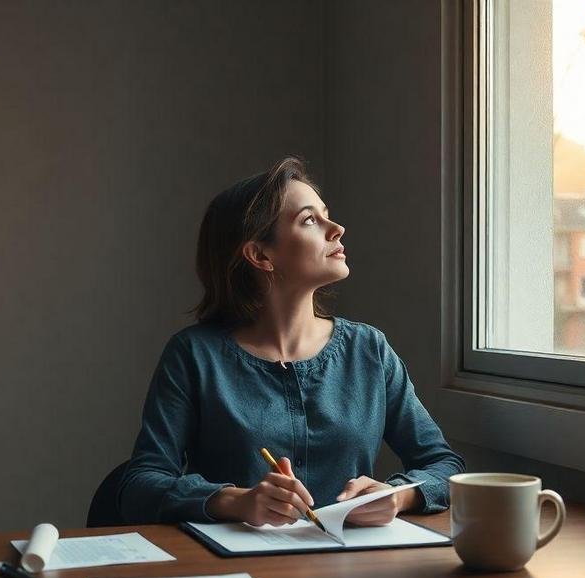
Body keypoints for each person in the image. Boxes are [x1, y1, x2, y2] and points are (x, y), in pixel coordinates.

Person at [117, 156, 465, 527]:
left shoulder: (369, 350)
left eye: (325, 214)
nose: (337, 229)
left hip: (352, 568)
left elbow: (444, 465)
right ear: (260, 255)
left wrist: (396, 495)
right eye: (310, 219)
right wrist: (234, 500)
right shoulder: (193, 356)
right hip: (235, 571)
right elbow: (140, 485)